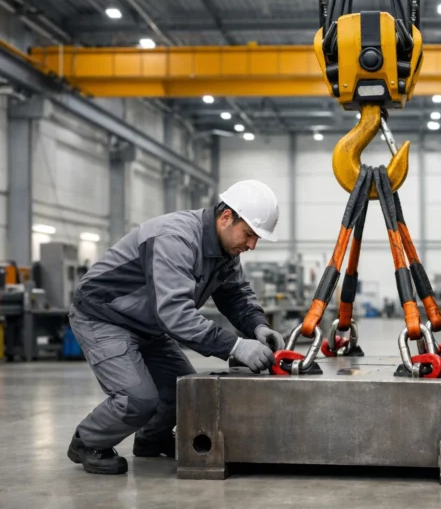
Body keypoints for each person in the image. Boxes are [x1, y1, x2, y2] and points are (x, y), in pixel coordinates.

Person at [66, 179, 285, 475]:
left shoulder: (225, 252)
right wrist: (235, 346)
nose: (252, 245)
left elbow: (235, 295)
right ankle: (87, 441)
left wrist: (258, 326)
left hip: (148, 324)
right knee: (137, 398)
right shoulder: (175, 238)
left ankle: (151, 440)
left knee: (184, 393)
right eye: (249, 234)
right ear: (225, 217)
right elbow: (174, 314)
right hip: (104, 316)